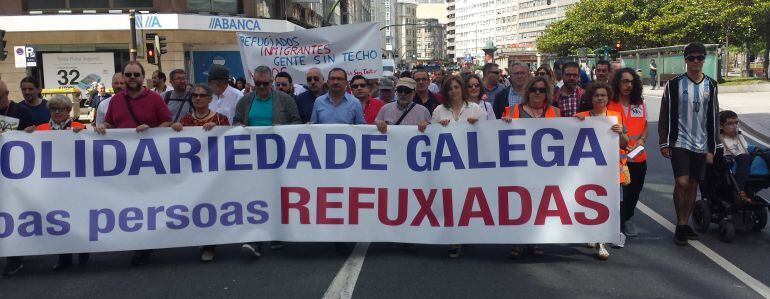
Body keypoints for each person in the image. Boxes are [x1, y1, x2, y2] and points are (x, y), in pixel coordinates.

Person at [96, 61, 173, 266]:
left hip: (150, 159)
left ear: (142, 76)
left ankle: (146, 242)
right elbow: (112, 122)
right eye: (128, 75)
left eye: (135, 75)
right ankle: (138, 238)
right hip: (124, 162)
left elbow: (168, 122)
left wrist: (152, 129)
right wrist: (104, 125)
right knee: (130, 200)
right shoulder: (115, 101)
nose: (131, 79)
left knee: (148, 199)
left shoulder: (155, 98)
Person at [659, 42, 721, 246]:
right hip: (680, 141)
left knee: (694, 184)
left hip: (701, 143)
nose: (696, 61)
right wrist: (664, 142)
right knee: (682, 182)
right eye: (691, 57)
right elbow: (665, 115)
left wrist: (713, 147)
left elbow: (713, 118)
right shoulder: (674, 84)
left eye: (700, 57)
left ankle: (685, 224)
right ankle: (680, 223)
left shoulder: (711, 85)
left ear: (705, 59)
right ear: (685, 60)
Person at [432, 75, 485, 259]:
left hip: (470, 163)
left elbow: (487, 135)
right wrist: (437, 126)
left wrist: (477, 126)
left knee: (467, 199)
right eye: (449, 88)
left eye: (456, 87)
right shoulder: (439, 110)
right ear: (445, 92)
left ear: (462, 88)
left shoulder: (476, 108)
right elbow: (431, 138)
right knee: (450, 200)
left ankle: (467, 233)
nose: (453, 91)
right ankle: (454, 238)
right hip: (447, 164)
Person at [575, 82, 629, 260]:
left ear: (608, 98)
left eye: (603, 95)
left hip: (610, 170)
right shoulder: (579, 117)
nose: (600, 98)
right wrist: (575, 125)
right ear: (591, 98)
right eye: (596, 95)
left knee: (608, 205)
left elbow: (624, 143)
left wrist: (621, 133)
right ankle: (592, 234)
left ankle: (602, 242)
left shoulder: (615, 117)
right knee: (588, 203)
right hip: (586, 170)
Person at [607, 68, 648, 238]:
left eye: (631, 82)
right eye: (624, 81)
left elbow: (645, 126)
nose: (628, 85)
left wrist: (642, 140)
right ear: (617, 83)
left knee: (634, 191)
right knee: (615, 193)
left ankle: (627, 219)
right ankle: (615, 221)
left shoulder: (639, 103)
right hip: (615, 158)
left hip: (637, 157)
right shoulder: (609, 103)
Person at [719, 110, 770, 202]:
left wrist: (759, 150)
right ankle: (740, 192)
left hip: (746, 161)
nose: (734, 126)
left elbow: (746, 147)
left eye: (736, 123)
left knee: (767, 153)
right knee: (744, 157)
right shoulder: (719, 140)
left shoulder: (739, 136)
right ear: (721, 126)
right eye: (730, 124)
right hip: (731, 165)